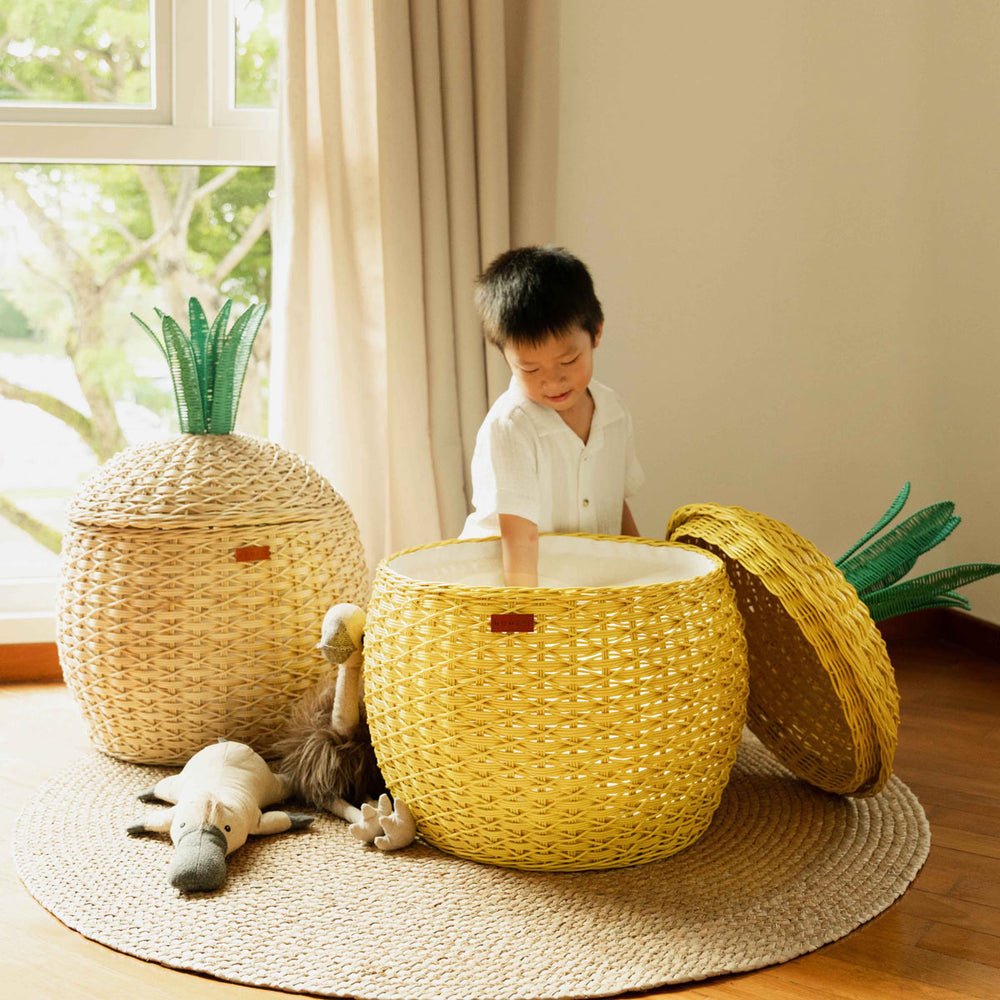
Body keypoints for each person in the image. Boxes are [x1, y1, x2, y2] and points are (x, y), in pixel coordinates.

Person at [460, 245, 644, 585]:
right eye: (530, 369)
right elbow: (519, 541)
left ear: (596, 333)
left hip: (581, 591)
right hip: (511, 589)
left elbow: (613, 500)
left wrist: (646, 574)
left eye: (568, 361)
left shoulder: (613, 412)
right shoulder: (511, 425)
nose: (553, 381)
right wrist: (522, 626)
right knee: (501, 631)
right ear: (504, 355)